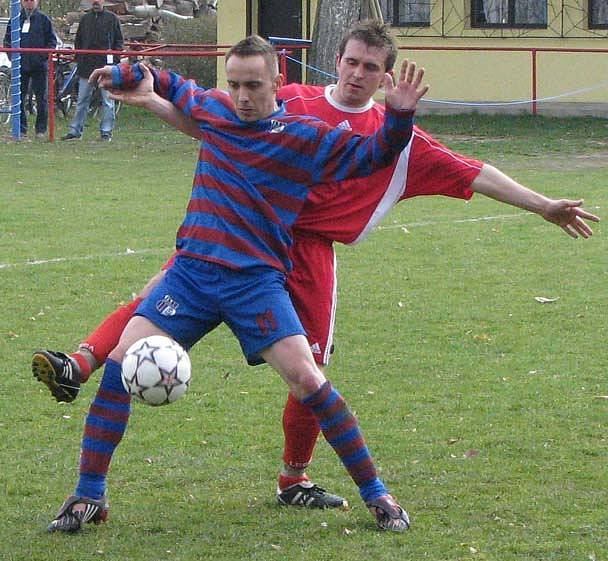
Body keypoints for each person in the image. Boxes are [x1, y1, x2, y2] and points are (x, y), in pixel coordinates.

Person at [33, 21, 600, 516]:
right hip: (224, 235)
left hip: (296, 255)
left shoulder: (389, 140)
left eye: (369, 67)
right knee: (152, 299)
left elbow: (475, 172)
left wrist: (545, 204)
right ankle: (83, 378)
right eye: (350, 61)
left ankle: (297, 477)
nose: (356, 74)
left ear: (385, 76)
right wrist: (149, 93)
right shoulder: (293, 97)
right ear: (335, 61)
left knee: (310, 372)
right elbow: (209, 118)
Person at [43, 34, 428, 534]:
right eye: (234, 85)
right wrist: (126, 73)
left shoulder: (304, 136)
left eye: (253, 85)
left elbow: (374, 155)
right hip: (192, 276)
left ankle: (377, 493)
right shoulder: (217, 110)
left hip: (256, 284)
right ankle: (88, 495)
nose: (242, 96)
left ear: (278, 82)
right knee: (119, 365)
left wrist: (398, 118)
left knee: (308, 381)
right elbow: (169, 82)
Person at [61, 0, 123, 142]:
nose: (96, 2)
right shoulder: (85, 19)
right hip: (86, 67)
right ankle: (75, 131)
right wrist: (79, 57)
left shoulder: (112, 19)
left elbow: (118, 42)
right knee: (82, 99)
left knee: (107, 101)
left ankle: (106, 132)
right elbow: (79, 40)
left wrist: (114, 60)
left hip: (106, 67)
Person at [3, 0, 57, 138]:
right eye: (26, 0)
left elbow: (52, 42)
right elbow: (7, 41)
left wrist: (42, 56)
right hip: (20, 65)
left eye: (31, 0)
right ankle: (21, 128)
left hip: (39, 66)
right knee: (19, 97)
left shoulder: (44, 19)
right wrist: (13, 58)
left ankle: (41, 130)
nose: (29, 3)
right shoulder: (15, 19)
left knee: (41, 98)